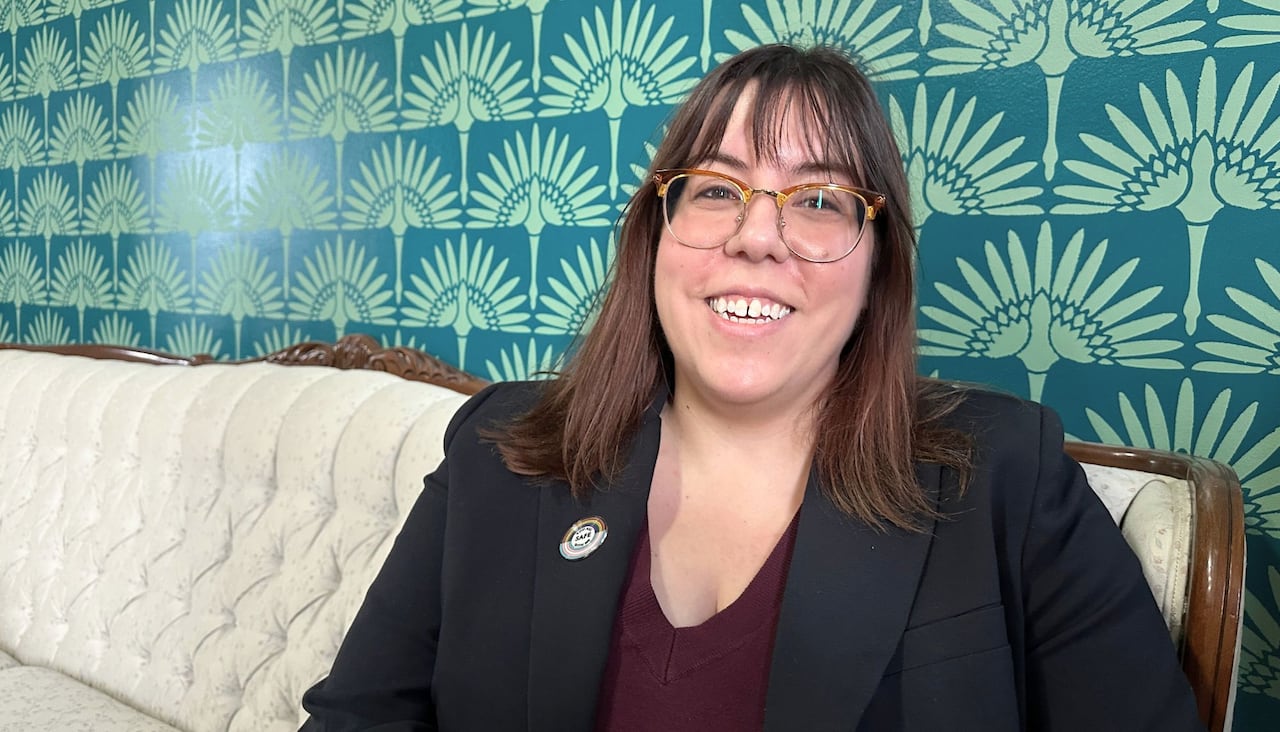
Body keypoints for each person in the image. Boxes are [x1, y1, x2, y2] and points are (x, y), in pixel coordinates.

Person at [299, 44, 1204, 731]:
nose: (757, 238)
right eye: (716, 189)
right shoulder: (500, 445)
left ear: (876, 266)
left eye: (818, 200)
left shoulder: (1009, 471)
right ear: (655, 234)